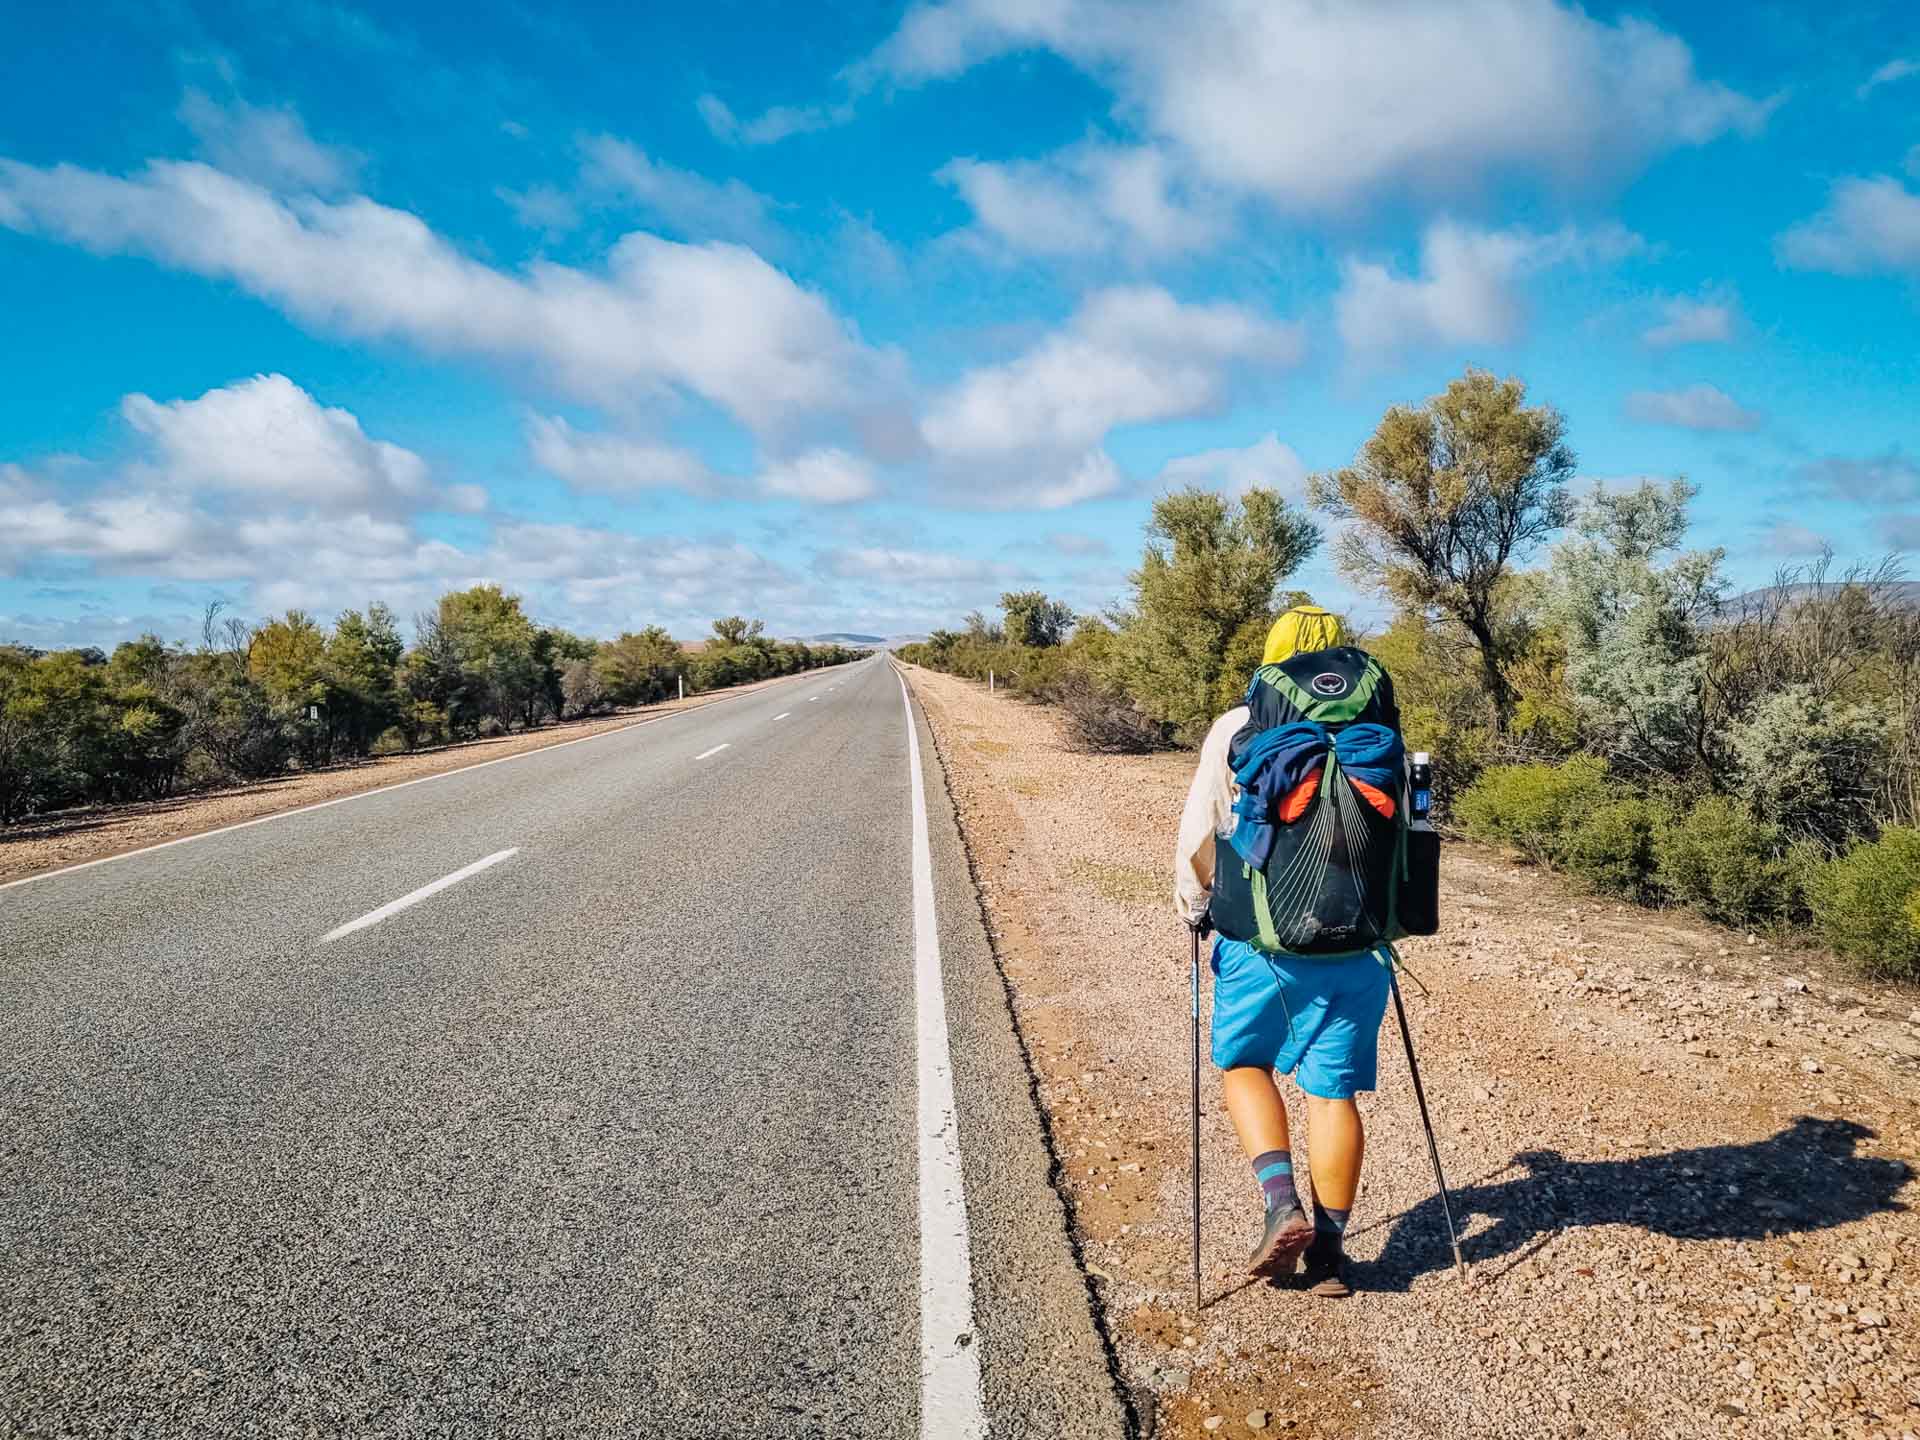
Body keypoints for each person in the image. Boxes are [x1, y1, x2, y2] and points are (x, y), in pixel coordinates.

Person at [1172, 603, 1395, 1299]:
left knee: (1244, 1064)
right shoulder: (1377, 726)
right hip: (1358, 941)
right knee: (1333, 1096)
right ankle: (1329, 1257)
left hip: (1261, 942)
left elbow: (1203, 830)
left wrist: (1193, 906)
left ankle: (1280, 1204)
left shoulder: (1241, 725)